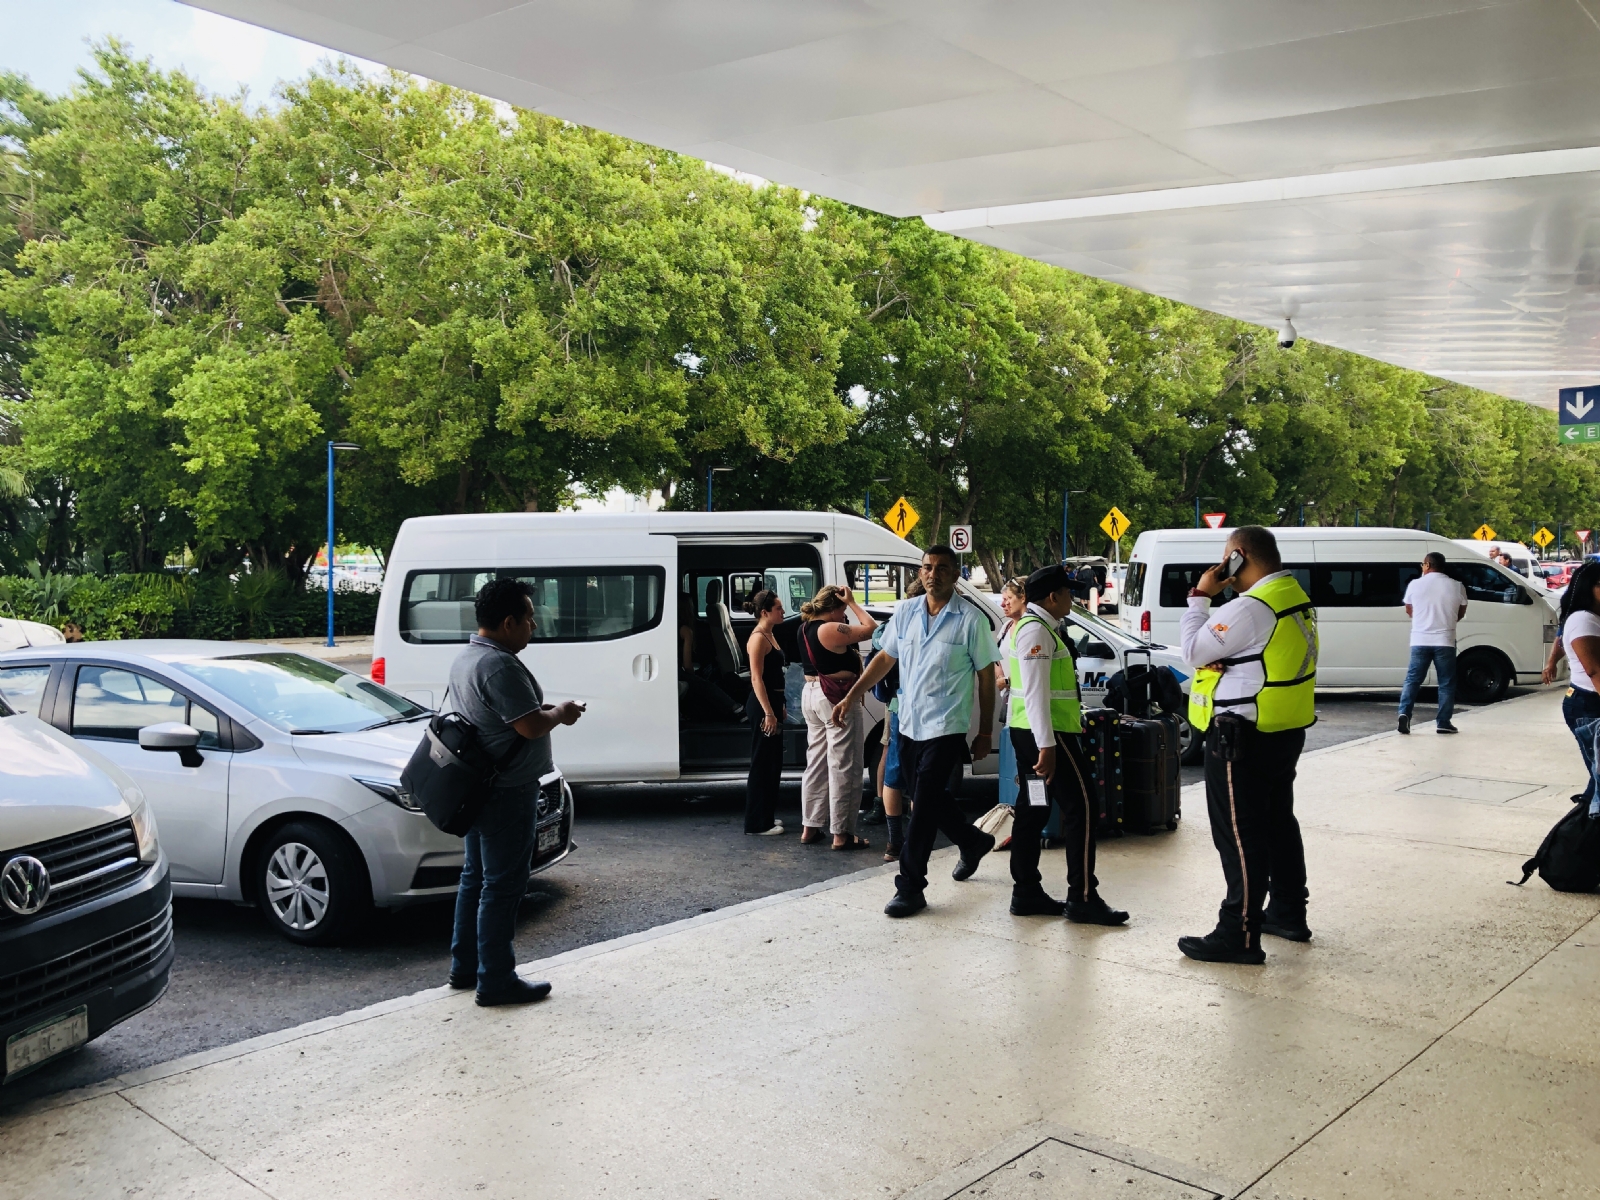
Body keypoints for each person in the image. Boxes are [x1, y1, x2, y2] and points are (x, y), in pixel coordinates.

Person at [832, 545, 999, 918]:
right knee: (928, 796)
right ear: (920, 573)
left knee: (922, 806)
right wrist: (852, 695)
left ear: (956, 575)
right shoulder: (905, 613)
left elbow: (987, 677)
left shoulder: (971, 621)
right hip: (908, 723)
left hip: (946, 726)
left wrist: (985, 731)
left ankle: (910, 887)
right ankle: (972, 841)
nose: (932, 573)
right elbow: (885, 658)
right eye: (927, 567)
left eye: (941, 568)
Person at [1180, 525, 1317, 964]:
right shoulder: (1292, 596)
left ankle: (1237, 933)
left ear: (1238, 556)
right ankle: (1288, 913)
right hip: (1282, 729)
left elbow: (1193, 651)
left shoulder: (1252, 606)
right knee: (1278, 825)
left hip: (1241, 737)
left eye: (1227, 558)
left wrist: (1200, 596)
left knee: (1238, 836)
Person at [448, 578, 585, 1005]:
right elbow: (526, 725)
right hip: (506, 791)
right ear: (507, 623)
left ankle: (465, 967)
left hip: (480, 786)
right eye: (528, 619)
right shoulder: (499, 665)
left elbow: (506, 717)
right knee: (503, 886)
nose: (533, 626)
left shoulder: (468, 657)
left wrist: (544, 712)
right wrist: (559, 713)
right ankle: (495, 980)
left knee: (475, 879)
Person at [1006, 565, 1129, 923]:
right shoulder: (1036, 633)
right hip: (1048, 737)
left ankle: (1026, 891)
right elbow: (1033, 693)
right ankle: (1083, 896)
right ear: (1053, 596)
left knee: (1034, 808)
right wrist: (1048, 746)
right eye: (1069, 592)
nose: (1073, 598)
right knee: (1083, 808)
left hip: (1031, 734)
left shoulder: (1034, 628)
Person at [797, 585, 877, 850]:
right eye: (842, 610)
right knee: (845, 764)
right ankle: (842, 833)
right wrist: (853, 603)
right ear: (834, 607)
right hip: (835, 696)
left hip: (811, 693)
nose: (845, 616)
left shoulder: (804, 627)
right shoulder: (829, 628)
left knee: (817, 762)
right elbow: (871, 627)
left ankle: (810, 825)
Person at [1546, 562, 1600, 815]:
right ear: (1590, 588)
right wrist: (1550, 663)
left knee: (1597, 777)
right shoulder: (1582, 620)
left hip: (1589, 700)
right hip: (1589, 704)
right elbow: (1594, 670)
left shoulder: (1592, 617)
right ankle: (1573, 840)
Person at [1398, 552, 1467, 735]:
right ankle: (1443, 722)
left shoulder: (1415, 584)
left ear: (1427, 565)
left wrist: (1422, 619)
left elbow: (1408, 609)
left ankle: (1404, 713)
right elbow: (1460, 613)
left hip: (1420, 640)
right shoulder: (1457, 586)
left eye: (1422, 564)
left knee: (1413, 680)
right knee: (1446, 682)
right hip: (1445, 640)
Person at [743, 589, 788, 837]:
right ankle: (757, 822)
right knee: (762, 762)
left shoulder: (770, 634)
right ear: (764, 612)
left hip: (773, 701)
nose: (782, 612)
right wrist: (768, 713)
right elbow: (757, 679)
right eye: (778, 608)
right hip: (763, 705)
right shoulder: (759, 638)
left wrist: (778, 705)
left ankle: (766, 815)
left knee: (772, 763)